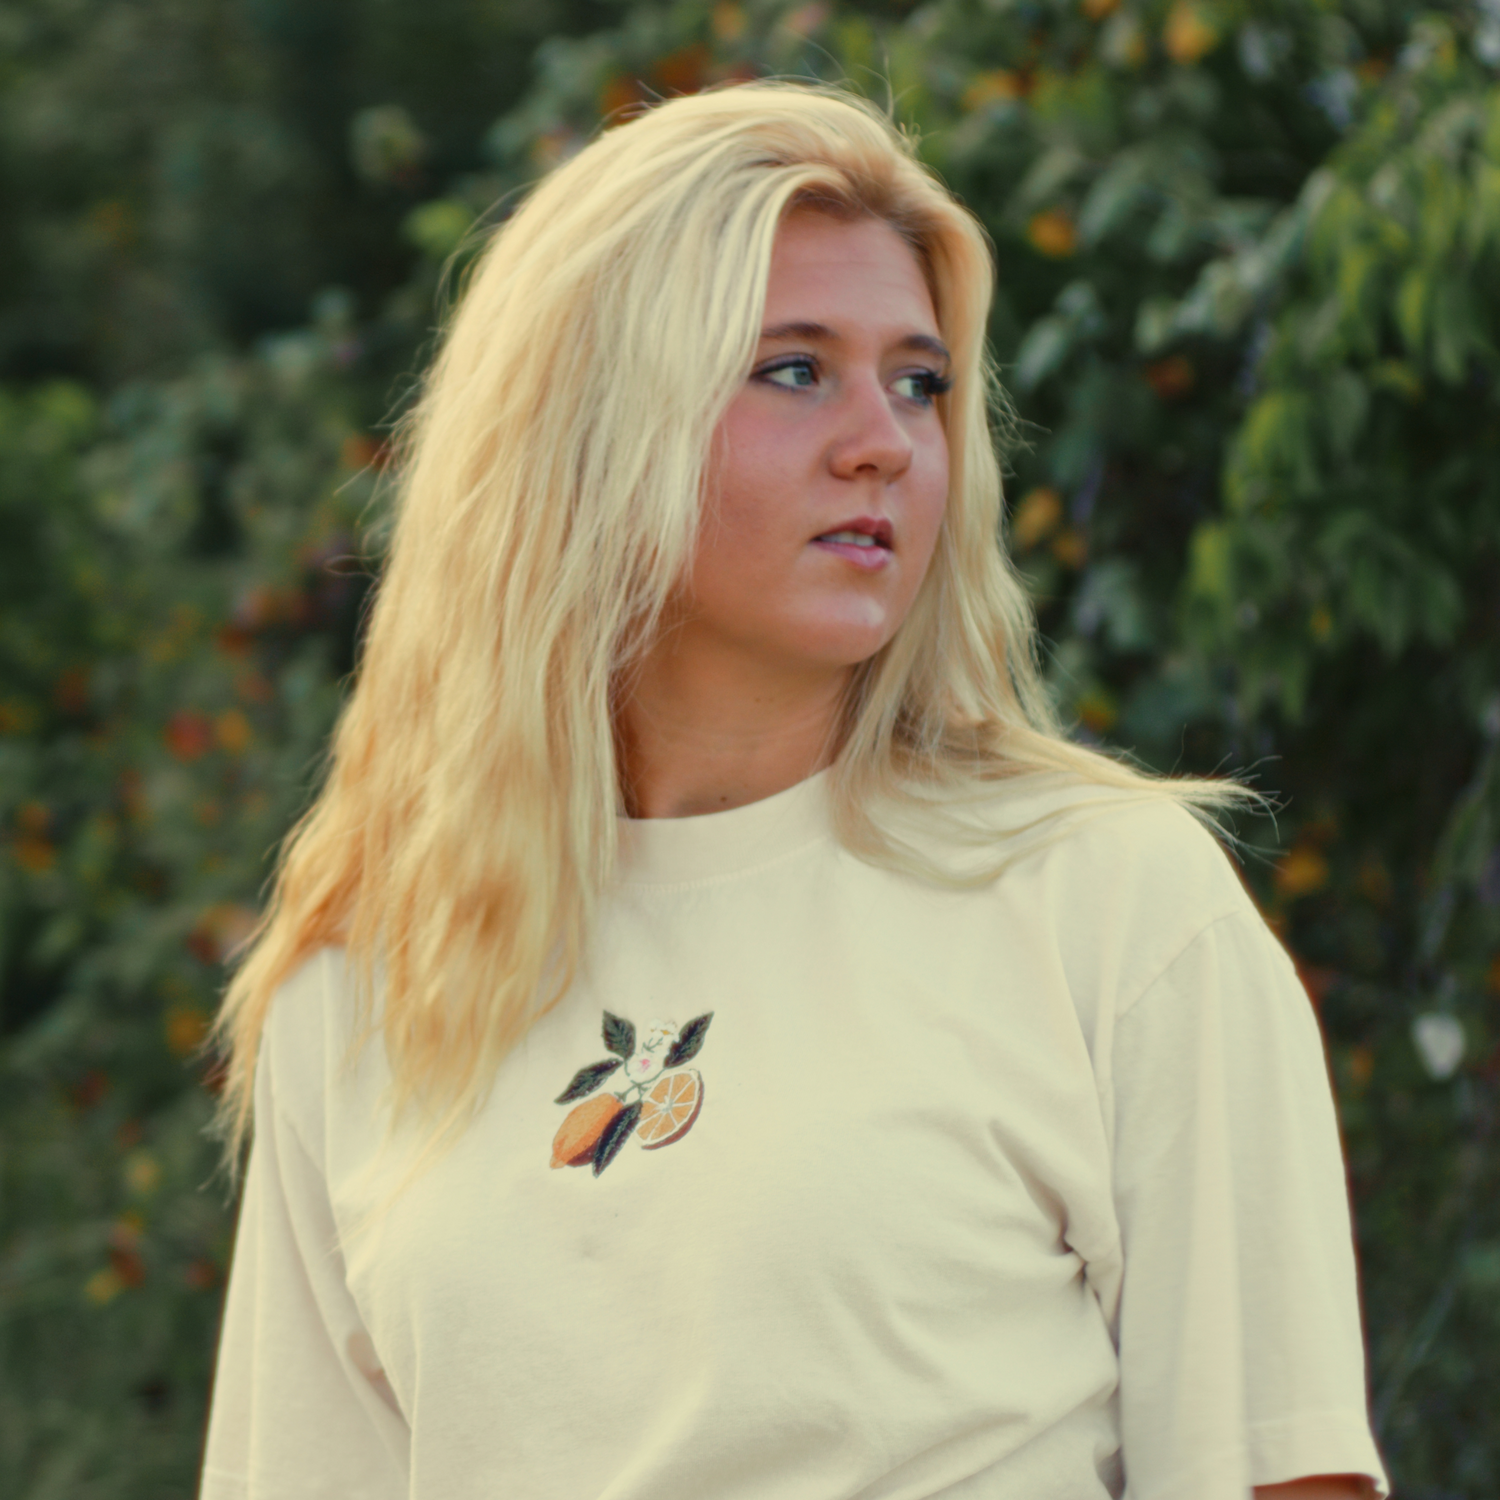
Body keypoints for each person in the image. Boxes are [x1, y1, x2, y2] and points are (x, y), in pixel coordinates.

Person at [199, 82, 1389, 1500]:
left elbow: (1278, 1473)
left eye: (921, 381)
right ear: (583, 436)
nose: (885, 439)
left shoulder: (1111, 905)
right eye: (793, 368)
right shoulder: (365, 983)